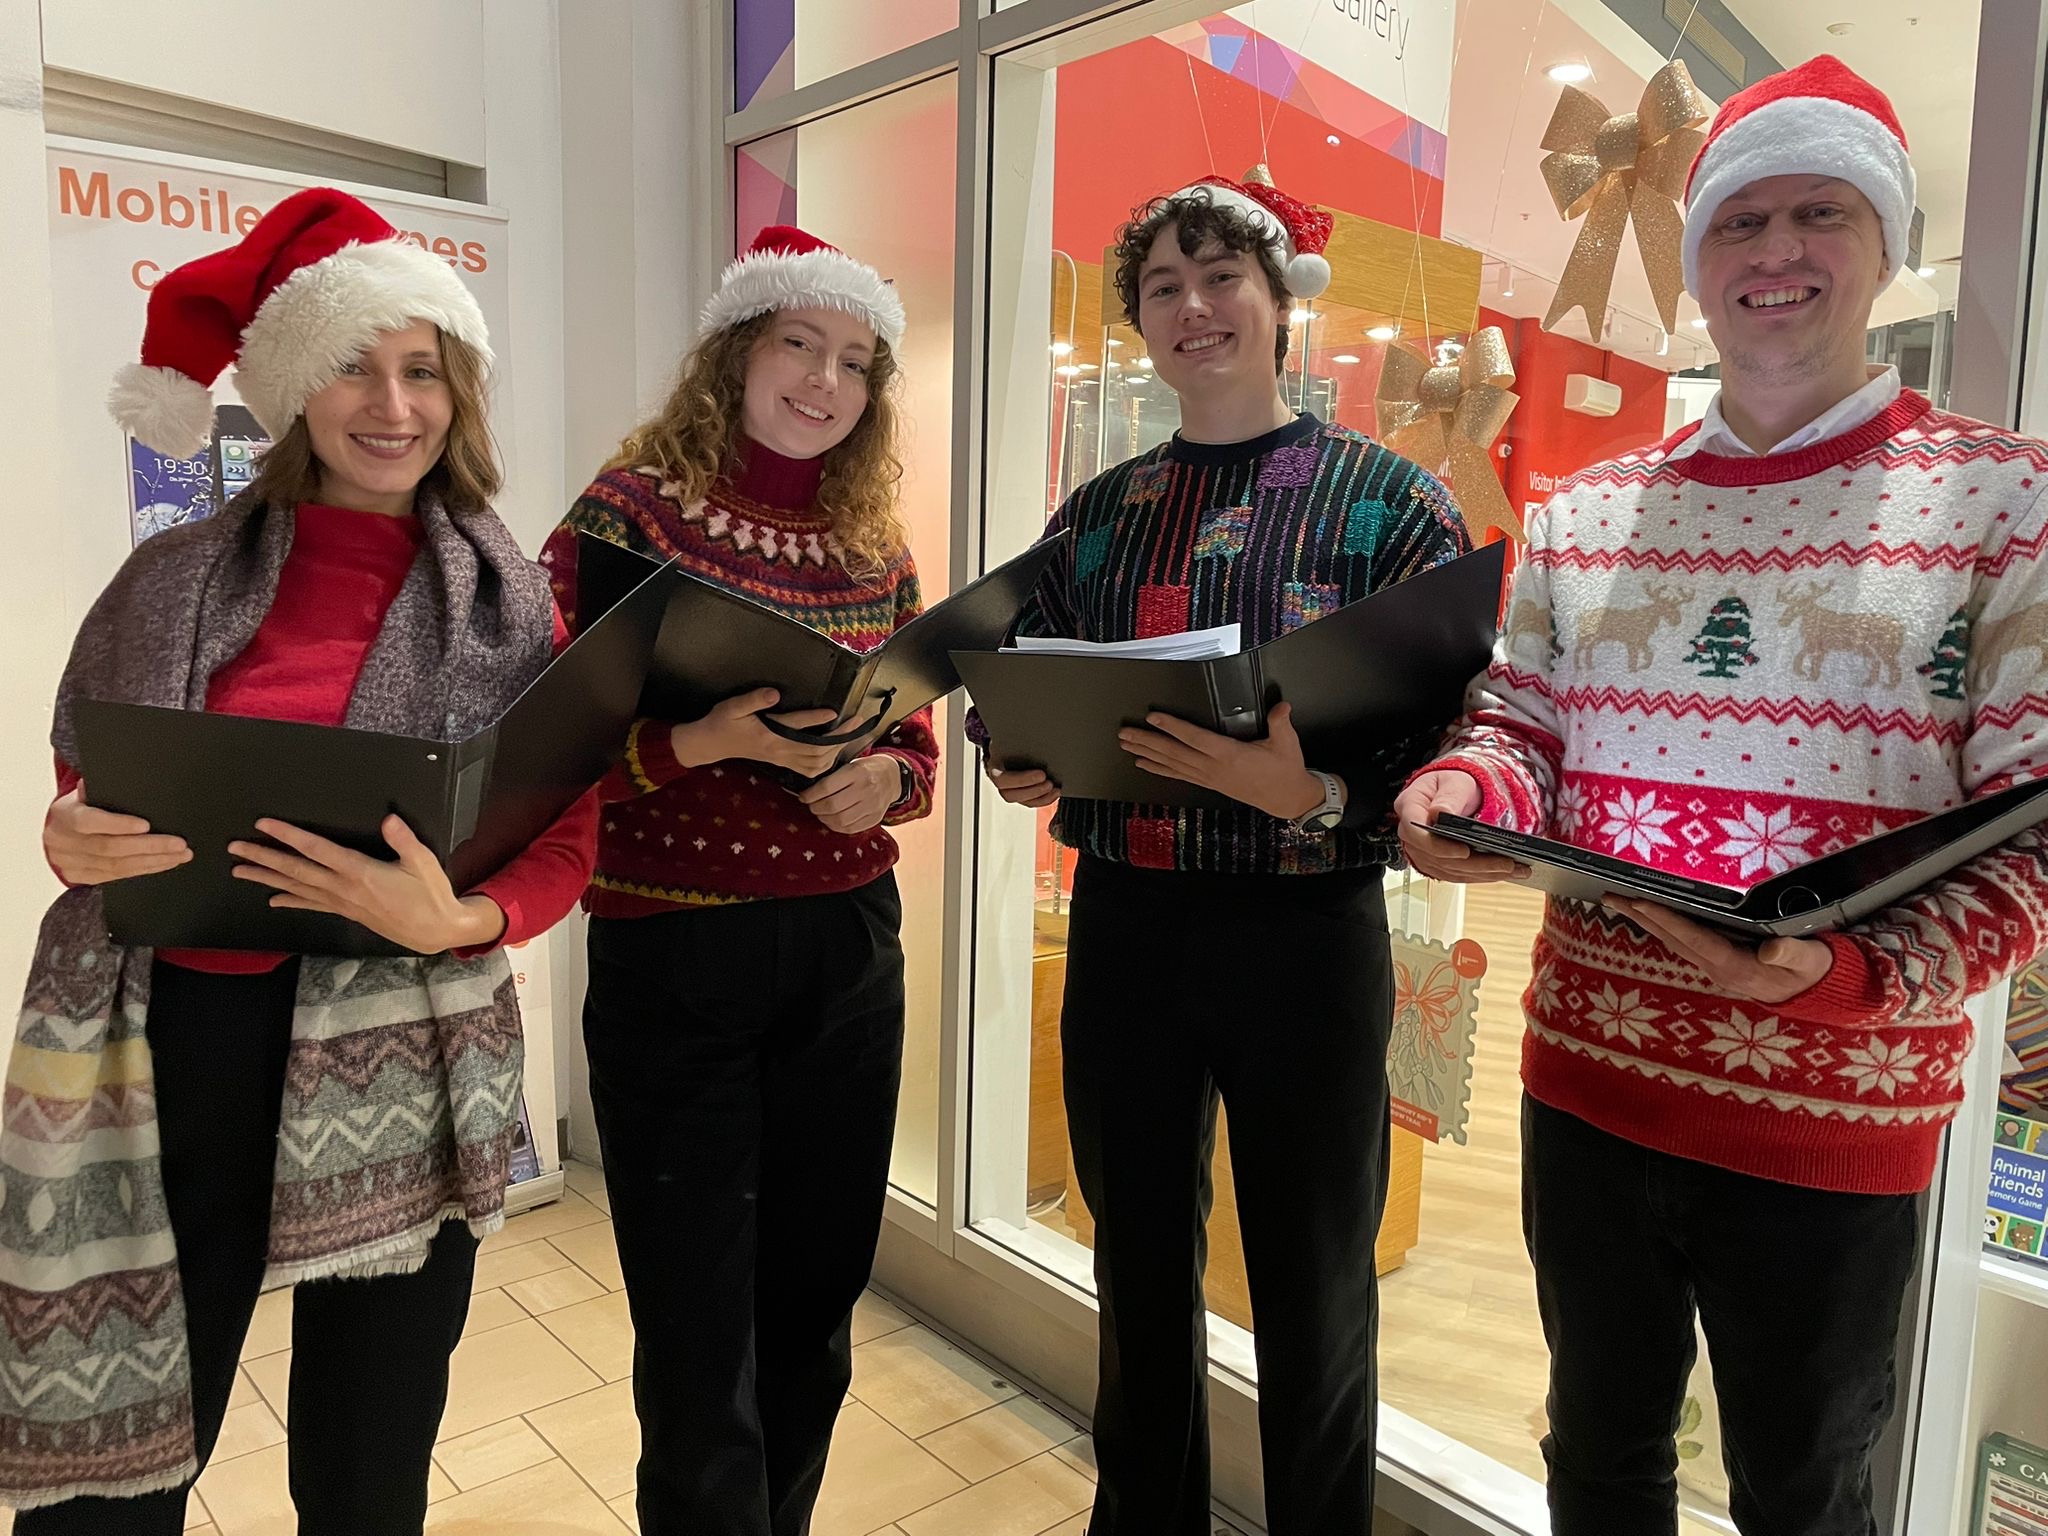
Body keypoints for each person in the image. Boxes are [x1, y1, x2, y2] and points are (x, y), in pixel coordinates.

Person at [1396, 56, 2048, 1535]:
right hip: (1592, 1078)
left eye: (1820, 214)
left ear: (1885, 248)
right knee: (1597, 1457)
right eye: (1740, 223)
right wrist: (1460, 787)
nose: (1777, 254)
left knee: (1805, 1495)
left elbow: (2035, 822)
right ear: (1696, 265)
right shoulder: (1589, 510)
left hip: (1841, 1102)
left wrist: (1852, 974)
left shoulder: (2009, 500)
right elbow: (1525, 722)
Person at [0, 188, 598, 1533]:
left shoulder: (512, 605)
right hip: (174, 1040)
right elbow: (89, 778)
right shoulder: (168, 577)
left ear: (460, 394)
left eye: (421, 369)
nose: (392, 405)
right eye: (350, 363)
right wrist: (69, 829)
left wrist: (463, 918)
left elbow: (568, 827)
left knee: (370, 1456)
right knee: (121, 1446)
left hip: (405, 1046)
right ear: (286, 386)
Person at [978, 168, 1472, 1535]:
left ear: (1278, 303)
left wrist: (1309, 788)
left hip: (1310, 938)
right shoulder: (1099, 512)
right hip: (1126, 925)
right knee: (1136, 1264)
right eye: (1162, 287)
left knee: (1318, 1280)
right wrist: (1015, 752)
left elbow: (1457, 742)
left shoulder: (1389, 505)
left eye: (1221, 278)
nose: (1193, 308)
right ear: (1140, 319)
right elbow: (1013, 679)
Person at [540, 225, 937, 1536]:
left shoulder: (874, 549)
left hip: (848, 953)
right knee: (700, 1334)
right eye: (798, 345)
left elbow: (916, 731)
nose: (826, 382)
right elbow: (538, 746)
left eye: (856, 362)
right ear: (736, 353)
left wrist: (891, 780)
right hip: (676, 956)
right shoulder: (630, 512)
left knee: (815, 1313)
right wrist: (699, 741)